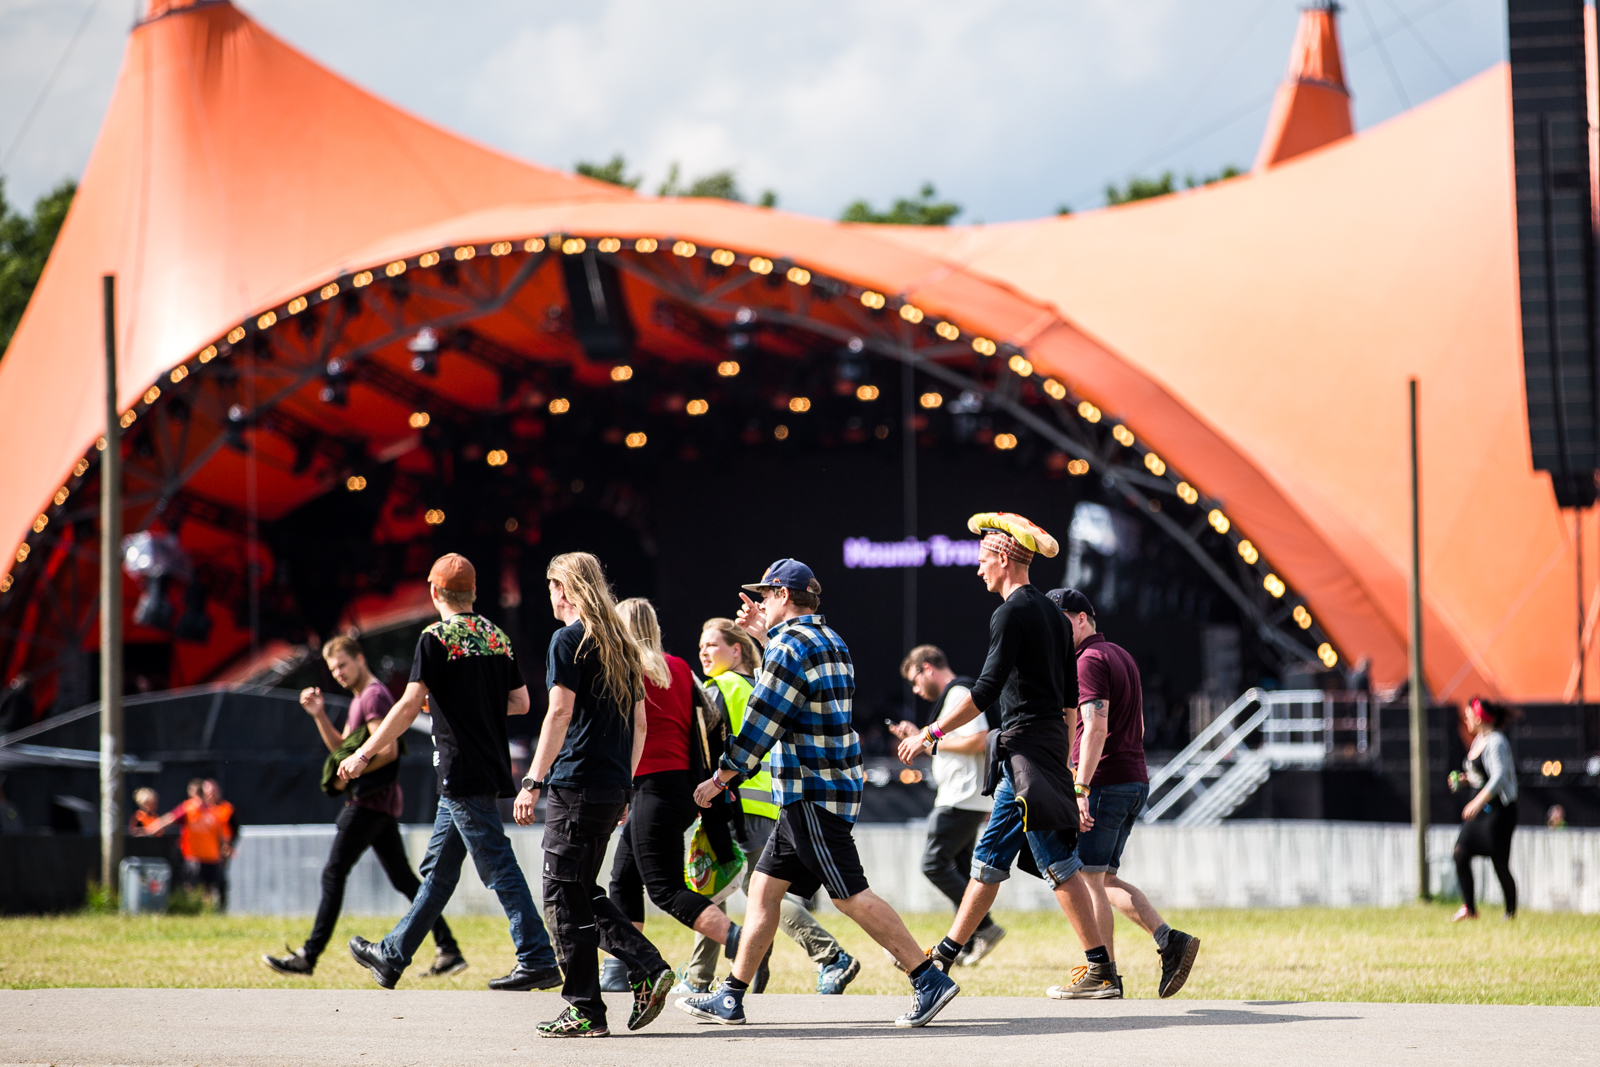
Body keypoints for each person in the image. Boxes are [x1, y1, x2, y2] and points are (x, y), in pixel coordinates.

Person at [678, 558, 960, 1028]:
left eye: (765, 596)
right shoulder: (830, 640)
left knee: (849, 894)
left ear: (783, 596)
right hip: (821, 789)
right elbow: (799, 683)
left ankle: (927, 977)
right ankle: (731, 996)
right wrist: (760, 638)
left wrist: (721, 778)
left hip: (811, 791)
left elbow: (763, 720)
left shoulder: (788, 646)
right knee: (764, 893)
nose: (760, 604)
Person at [896, 513, 1100, 996]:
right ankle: (1098, 969)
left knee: (1021, 859)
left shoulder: (1010, 612)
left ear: (1004, 558)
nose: (978, 569)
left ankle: (942, 964)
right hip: (1042, 746)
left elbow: (986, 689)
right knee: (1023, 859)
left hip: (1025, 748)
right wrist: (1066, 761)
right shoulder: (1051, 612)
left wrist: (930, 732)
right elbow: (1070, 698)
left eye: (983, 558)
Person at [338, 553, 559, 992]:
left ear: (435, 591)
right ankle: (392, 955)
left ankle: (536, 956)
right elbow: (521, 704)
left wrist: (363, 753)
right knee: (439, 870)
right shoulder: (496, 637)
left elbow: (405, 706)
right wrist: (465, 700)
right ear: (473, 592)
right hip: (489, 766)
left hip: (459, 769)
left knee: (498, 865)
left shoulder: (435, 638)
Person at [512, 552, 676, 1039]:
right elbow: (640, 723)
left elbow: (558, 713)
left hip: (576, 785)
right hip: (609, 786)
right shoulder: (622, 643)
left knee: (562, 895)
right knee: (580, 889)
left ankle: (586, 1008)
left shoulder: (569, 640)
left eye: (551, 588)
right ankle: (645, 967)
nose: (551, 598)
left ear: (564, 589)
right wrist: (624, 784)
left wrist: (532, 780)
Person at [263, 635, 464, 979]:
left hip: (369, 803)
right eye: (333, 668)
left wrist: (352, 771)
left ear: (359, 659)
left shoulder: (373, 697)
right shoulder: (359, 699)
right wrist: (319, 715)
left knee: (333, 872)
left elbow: (385, 751)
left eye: (343, 664)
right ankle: (449, 949)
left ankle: (308, 956)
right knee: (404, 879)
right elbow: (342, 748)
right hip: (378, 806)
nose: (338, 672)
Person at [680, 617, 858, 995]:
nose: (703, 653)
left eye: (711, 645)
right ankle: (718, 975)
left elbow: (708, 748)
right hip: (767, 799)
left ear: (736, 649)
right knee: (746, 890)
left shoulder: (718, 687)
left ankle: (828, 955)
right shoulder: (758, 681)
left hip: (733, 800)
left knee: (742, 890)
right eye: (700, 648)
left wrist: (706, 789)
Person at [1049, 588, 1200, 999]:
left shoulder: (1088, 661)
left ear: (1081, 618)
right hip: (1133, 778)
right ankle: (1169, 941)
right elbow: (1140, 727)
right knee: (1104, 877)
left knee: (1087, 880)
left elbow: (1095, 726)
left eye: (1058, 620)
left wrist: (1080, 786)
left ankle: (1104, 975)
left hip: (1103, 783)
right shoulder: (1120, 655)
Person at [601, 598, 742, 993]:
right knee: (624, 879)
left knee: (664, 888)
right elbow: (708, 719)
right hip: (680, 787)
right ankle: (618, 970)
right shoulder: (678, 667)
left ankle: (740, 941)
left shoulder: (628, 669)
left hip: (651, 786)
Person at [891, 644, 1005, 965]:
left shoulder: (959, 693)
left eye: (915, 680)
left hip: (960, 796)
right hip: (966, 796)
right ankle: (965, 944)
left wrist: (929, 739)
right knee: (962, 870)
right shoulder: (955, 696)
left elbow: (978, 739)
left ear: (927, 667)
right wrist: (921, 737)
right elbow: (948, 744)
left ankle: (985, 926)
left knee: (934, 864)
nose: (915, 689)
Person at [1449, 697, 1519, 921]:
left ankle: (1510, 913)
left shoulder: (1496, 741)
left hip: (1498, 810)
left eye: (1468, 715)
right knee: (1460, 852)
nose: (1466, 719)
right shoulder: (1479, 739)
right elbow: (1481, 776)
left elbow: (1498, 776)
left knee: (1499, 862)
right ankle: (1470, 908)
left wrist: (1477, 802)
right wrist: (1464, 780)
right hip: (1483, 808)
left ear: (1478, 717)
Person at [149, 778, 234, 909]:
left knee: (210, 888)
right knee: (192, 886)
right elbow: (170, 819)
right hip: (194, 856)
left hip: (212, 857)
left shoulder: (214, 811)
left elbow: (222, 835)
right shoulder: (190, 808)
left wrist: (225, 848)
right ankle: (192, 908)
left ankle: (206, 911)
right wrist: (152, 828)